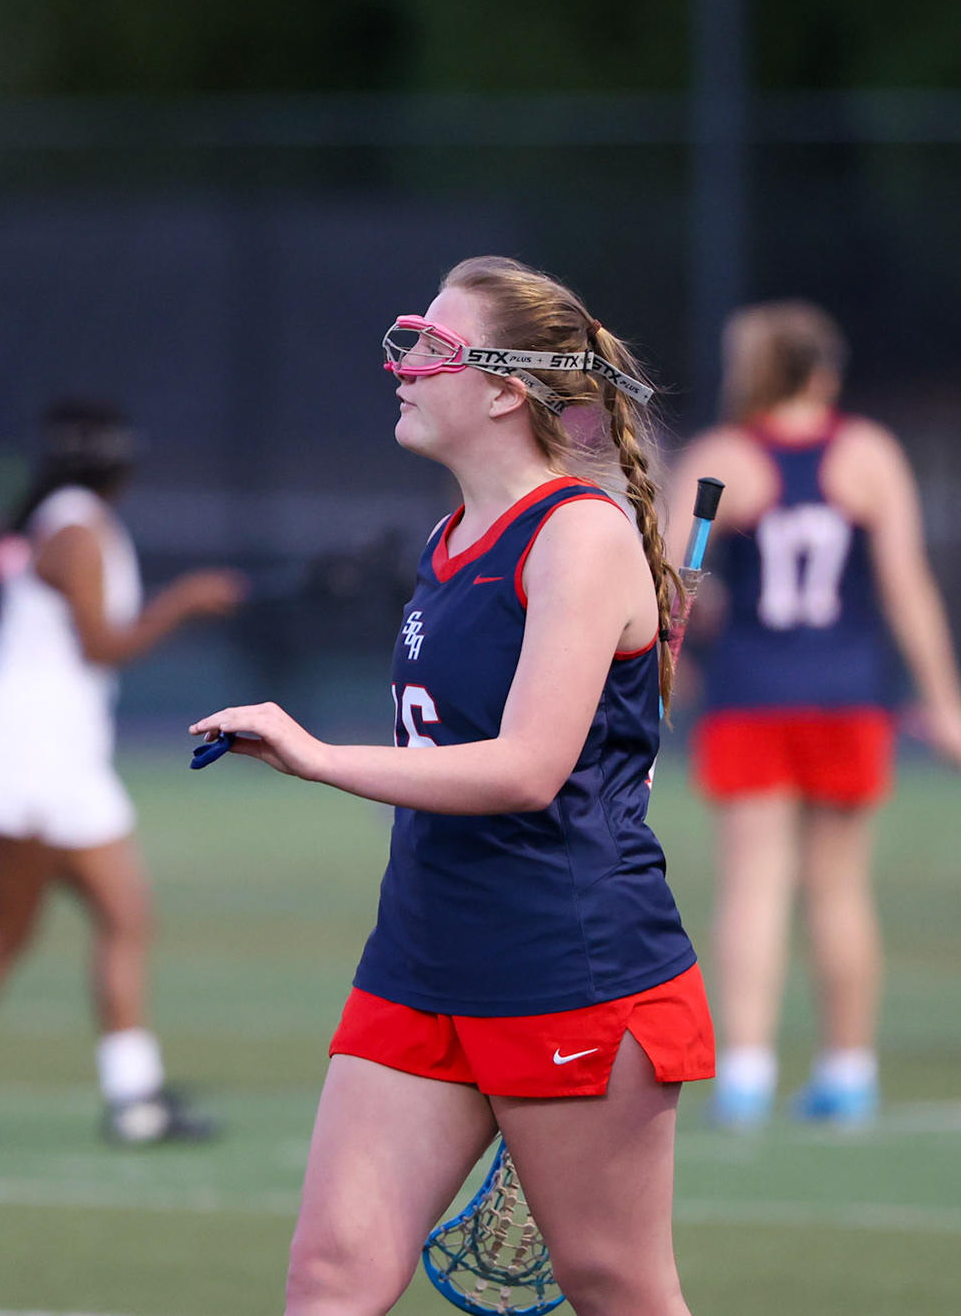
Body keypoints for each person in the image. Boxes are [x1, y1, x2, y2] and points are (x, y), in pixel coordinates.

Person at [190, 257, 714, 1316]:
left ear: (504, 386)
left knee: (615, 1284)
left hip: (570, 965)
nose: (401, 367)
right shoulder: (446, 543)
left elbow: (526, 771)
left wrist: (322, 757)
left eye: (428, 346)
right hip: (422, 958)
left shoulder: (581, 537)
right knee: (331, 1272)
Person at [0, 397, 245, 1144]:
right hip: (30, 754)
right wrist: (182, 603)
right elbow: (99, 647)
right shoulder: (76, 527)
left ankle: (135, 1099)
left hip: (56, 753)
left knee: (125, 914)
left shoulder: (23, 518)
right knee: (6, 930)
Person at [666, 301, 961, 1130]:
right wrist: (948, 703)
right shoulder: (869, 455)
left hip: (750, 696)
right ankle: (848, 1071)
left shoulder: (723, 456)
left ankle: (744, 1073)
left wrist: (677, 657)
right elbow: (908, 585)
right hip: (848, 696)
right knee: (840, 888)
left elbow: (672, 579)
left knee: (753, 884)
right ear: (824, 372)